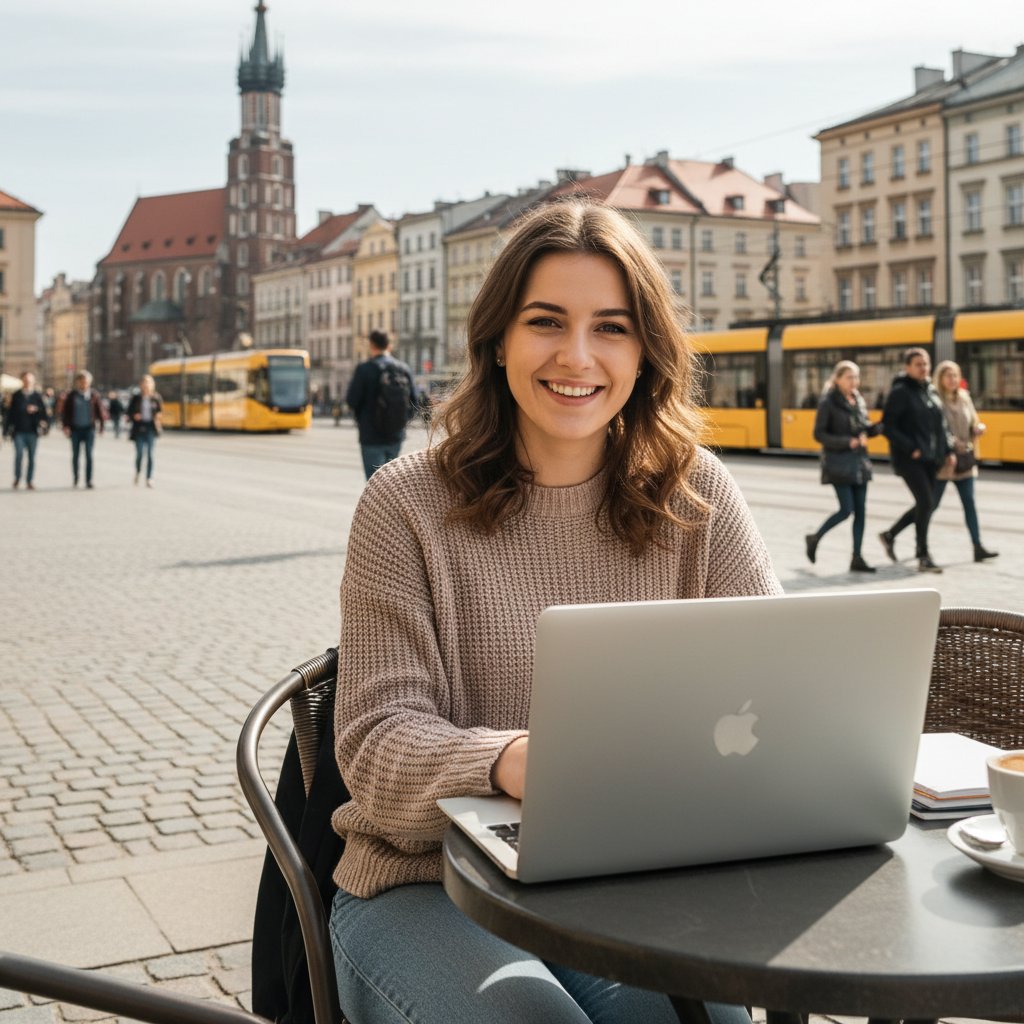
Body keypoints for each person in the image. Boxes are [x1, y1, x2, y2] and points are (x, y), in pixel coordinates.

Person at [329, 200, 781, 1024]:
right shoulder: (404, 503)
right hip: (427, 885)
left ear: (645, 352)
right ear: (498, 339)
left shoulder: (698, 492)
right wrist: (511, 761)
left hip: (628, 878)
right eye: (546, 322)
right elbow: (374, 745)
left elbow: (781, 690)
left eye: (611, 327)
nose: (577, 356)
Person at [878, 348, 955, 573]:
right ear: (907, 367)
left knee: (926, 504)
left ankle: (890, 535)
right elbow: (888, 426)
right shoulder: (901, 392)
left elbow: (941, 426)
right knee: (926, 503)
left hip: (932, 458)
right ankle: (923, 555)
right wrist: (911, 448)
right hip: (909, 460)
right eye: (918, 364)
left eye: (926, 364)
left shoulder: (930, 390)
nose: (924, 368)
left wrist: (948, 450)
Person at [805, 360, 883, 572]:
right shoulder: (828, 402)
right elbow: (819, 434)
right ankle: (815, 537)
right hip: (838, 463)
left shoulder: (858, 399)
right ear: (837, 379)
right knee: (846, 510)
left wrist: (876, 429)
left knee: (861, 512)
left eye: (856, 377)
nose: (854, 381)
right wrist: (847, 442)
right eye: (849, 377)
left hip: (860, 463)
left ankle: (857, 557)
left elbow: (863, 427)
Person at [932, 360, 997, 563]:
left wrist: (978, 428)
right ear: (940, 379)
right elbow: (935, 431)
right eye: (948, 375)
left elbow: (974, 421)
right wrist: (952, 444)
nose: (952, 379)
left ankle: (978, 546)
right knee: (931, 505)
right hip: (945, 460)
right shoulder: (935, 400)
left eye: (955, 375)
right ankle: (903, 537)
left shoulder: (964, 397)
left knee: (969, 503)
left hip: (965, 460)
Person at [345, 329, 418, 479]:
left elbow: (351, 400)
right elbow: (415, 402)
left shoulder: (364, 369)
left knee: (374, 484)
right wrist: (400, 422)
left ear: (371, 345)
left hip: (371, 436)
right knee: (392, 483)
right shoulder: (403, 369)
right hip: (395, 435)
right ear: (389, 345)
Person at [58, 369, 106, 488]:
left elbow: (100, 411)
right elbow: (65, 413)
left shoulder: (94, 395)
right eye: (81, 381)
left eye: (86, 381)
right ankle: (76, 477)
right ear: (77, 382)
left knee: (89, 455)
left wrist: (102, 427)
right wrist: (65, 426)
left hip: (89, 429)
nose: (83, 384)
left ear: (89, 382)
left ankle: (89, 480)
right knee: (75, 455)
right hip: (75, 429)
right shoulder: (72, 396)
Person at [3, 371, 49, 490]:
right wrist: (5, 431)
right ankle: (17, 478)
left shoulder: (37, 396)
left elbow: (44, 413)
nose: (27, 382)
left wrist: (36, 410)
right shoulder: (16, 395)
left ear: (33, 381)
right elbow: (10, 413)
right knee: (18, 456)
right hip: (18, 431)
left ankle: (29, 480)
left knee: (32, 457)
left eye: (29, 380)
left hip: (33, 431)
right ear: (22, 381)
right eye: (25, 380)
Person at [127, 375, 163, 487]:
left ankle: (149, 478)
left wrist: (158, 415)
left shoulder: (156, 397)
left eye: (148, 383)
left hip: (151, 428)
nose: (146, 385)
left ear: (152, 385)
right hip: (139, 428)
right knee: (139, 454)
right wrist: (134, 416)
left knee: (150, 454)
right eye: (144, 383)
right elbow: (129, 412)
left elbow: (160, 411)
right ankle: (138, 472)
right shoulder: (136, 398)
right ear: (141, 385)